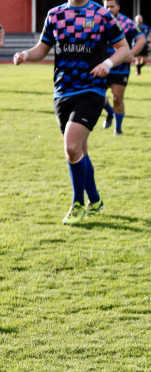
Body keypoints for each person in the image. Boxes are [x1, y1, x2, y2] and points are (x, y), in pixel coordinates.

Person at [12, 0, 130, 225]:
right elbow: (42, 48)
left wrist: (107, 63)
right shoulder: (54, 15)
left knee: (71, 146)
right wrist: (25, 55)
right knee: (79, 151)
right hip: (62, 92)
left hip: (91, 89)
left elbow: (123, 48)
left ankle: (78, 204)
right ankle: (95, 200)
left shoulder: (101, 14)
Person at [101, 0, 145, 136]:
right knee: (97, 95)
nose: (109, 9)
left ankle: (118, 128)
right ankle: (109, 111)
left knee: (117, 98)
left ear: (118, 7)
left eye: (112, 6)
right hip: (101, 65)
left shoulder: (127, 23)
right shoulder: (98, 21)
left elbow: (141, 39)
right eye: (106, 7)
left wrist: (131, 53)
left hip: (120, 68)